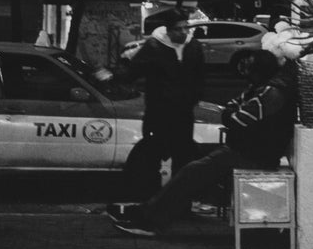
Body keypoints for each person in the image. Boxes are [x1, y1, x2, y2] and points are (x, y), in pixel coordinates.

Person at [108, 50, 295, 238]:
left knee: (193, 172)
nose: (245, 69)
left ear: (259, 69)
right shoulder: (259, 88)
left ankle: (150, 220)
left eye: (250, 65)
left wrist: (232, 114)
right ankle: (153, 211)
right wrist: (232, 113)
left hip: (253, 155)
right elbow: (231, 108)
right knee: (192, 163)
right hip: (244, 149)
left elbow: (236, 119)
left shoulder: (271, 93)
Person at [96, 6, 207, 198]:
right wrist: (111, 75)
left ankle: (179, 200)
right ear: (168, 30)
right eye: (178, 29)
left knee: (183, 156)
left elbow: (200, 75)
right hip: (158, 112)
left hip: (183, 112)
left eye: (186, 28)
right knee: (153, 153)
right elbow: (133, 72)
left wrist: (194, 97)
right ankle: (151, 198)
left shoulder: (193, 47)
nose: (183, 32)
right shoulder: (154, 47)